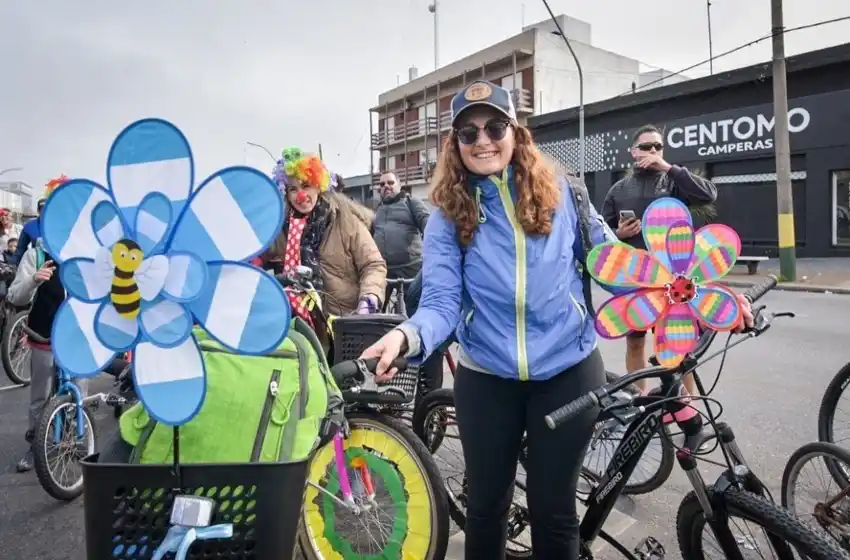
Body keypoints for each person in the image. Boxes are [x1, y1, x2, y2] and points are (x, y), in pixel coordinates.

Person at [361, 81, 752, 558]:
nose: (483, 140)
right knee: (486, 510)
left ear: (515, 131)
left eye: (495, 126)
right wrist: (406, 335)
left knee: (555, 512)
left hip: (568, 372)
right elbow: (441, 301)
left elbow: (619, 268)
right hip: (487, 378)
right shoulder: (447, 215)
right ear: (455, 143)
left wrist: (706, 301)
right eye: (468, 132)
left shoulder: (565, 194)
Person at [601, 124, 718, 395]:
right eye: (646, 146)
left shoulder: (675, 183)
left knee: (679, 346)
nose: (652, 151)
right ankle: (639, 402)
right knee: (635, 343)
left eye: (658, 146)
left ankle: (687, 409)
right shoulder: (619, 190)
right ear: (633, 152)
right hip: (635, 280)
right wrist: (618, 233)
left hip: (673, 280)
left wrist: (668, 167)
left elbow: (709, 194)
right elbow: (600, 235)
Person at [263, 147, 387, 320]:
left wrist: (368, 300)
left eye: (306, 186)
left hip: (344, 320)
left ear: (318, 186)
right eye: (293, 189)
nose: (301, 195)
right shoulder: (281, 228)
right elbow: (260, 259)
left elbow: (373, 265)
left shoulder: (345, 221)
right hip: (299, 323)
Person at [11, 238, 88, 472]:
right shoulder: (37, 255)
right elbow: (15, 296)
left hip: (77, 340)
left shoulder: (86, 253)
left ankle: (76, 440)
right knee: (40, 398)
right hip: (43, 336)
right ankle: (36, 445)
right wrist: (33, 280)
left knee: (79, 394)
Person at [372, 170, 430, 282]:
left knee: (414, 299)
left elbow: (428, 225)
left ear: (399, 185)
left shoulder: (411, 202)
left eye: (390, 182)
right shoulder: (377, 209)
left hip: (411, 268)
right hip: (383, 269)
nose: (386, 186)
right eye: (382, 184)